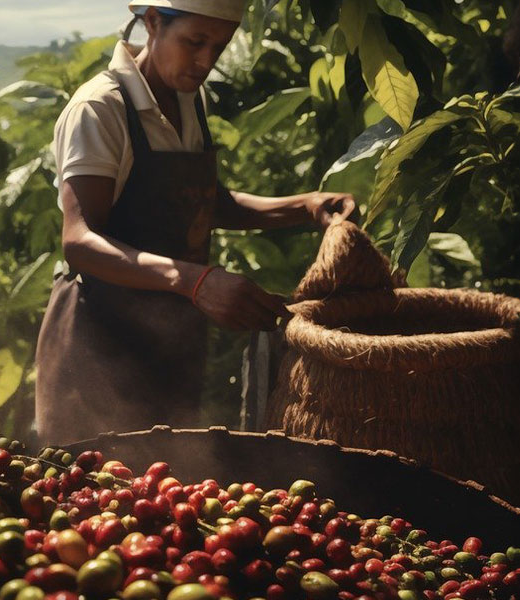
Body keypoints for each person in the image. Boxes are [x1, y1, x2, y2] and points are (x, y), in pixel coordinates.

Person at [34, 0, 355, 446]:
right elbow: (81, 241)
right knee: (93, 493)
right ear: (152, 23)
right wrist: (197, 281)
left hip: (168, 338)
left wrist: (304, 206)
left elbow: (203, 202)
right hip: (98, 344)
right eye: (195, 42)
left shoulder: (187, 98)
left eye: (219, 46)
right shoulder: (101, 109)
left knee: (168, 485)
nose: (206, 61)